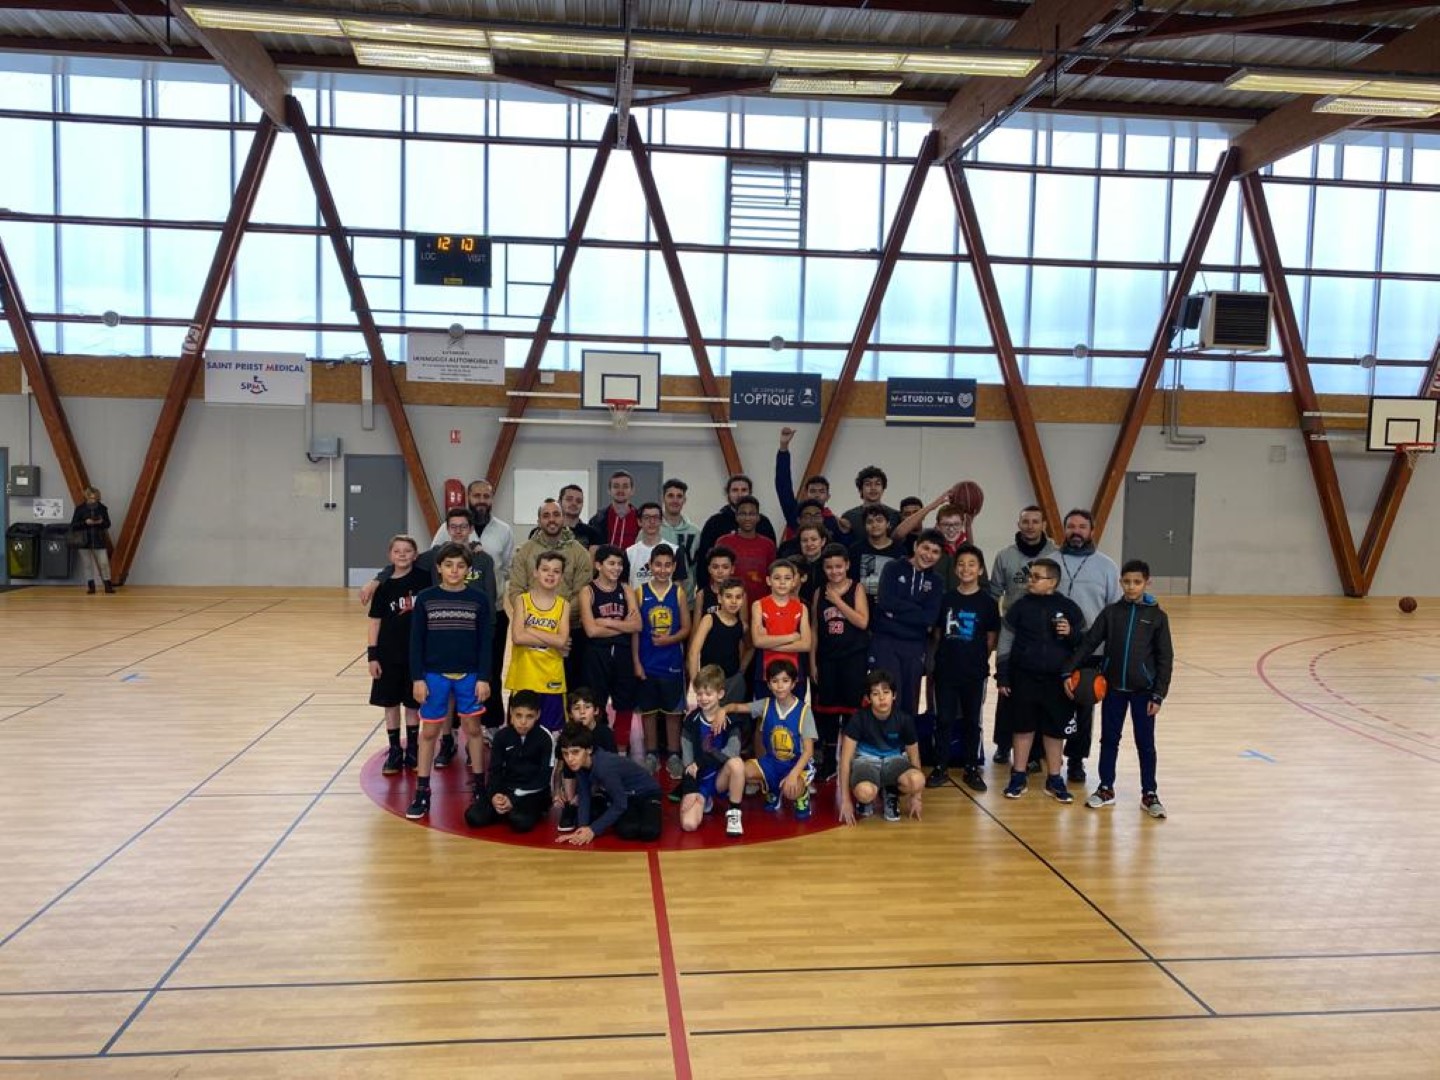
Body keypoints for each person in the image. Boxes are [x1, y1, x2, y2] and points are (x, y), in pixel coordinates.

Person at [1064, 559, 1174, 819]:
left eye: (1137, 582)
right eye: (1126, 582)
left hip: (1144, 692)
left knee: (1145, 743)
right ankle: (1105, 788)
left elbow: (1165, 658)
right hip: (1113, 689)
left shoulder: (1157, 617)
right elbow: (1090, 643)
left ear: (1147, 582)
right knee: (1109, 739)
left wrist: (1159, 693)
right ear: (1120, 582)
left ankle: (1150, 793)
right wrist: (1068, 669)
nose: (1131, 587)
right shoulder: (1111, 613)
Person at [406, 542, 493, 820]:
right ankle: (422, 790)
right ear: (439, 568)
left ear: (468, 569)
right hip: (433, 675)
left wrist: (484, 677)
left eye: (460, 566)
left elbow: (485, 644)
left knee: (473, 728)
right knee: (429, 733)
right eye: (448, 565)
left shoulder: (478, 599)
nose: (454, 570)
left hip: (469, 675)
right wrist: (417, 678)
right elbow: (416, 642)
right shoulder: (426, 599)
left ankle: (480, 787)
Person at [997, 557, 1085, 805]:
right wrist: (1002, 674)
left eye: (1036, 577)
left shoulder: (1069, 608)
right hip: (1024, 677)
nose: (1030, 581)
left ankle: (1055, 779)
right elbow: (1005, 642)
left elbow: (1084, 642)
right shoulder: (1019, 607)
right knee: (1023, 728)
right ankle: (1018, 775)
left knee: (1055, 730)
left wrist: (1072, 634)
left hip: (1057, 680)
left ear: (1052, 582)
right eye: (1029, 576)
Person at [988, 505, 1059, 766]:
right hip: (1014, 632)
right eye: (1025, 521)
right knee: (1009, 690)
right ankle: (1003, 743)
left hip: (1046, 634)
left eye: (1035, 521)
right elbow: (994, 594)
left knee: (1040, 694)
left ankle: (1035, 752)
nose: (1030, 526)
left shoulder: (1056, 555)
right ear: (1019, 524)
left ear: (1043, 525)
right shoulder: (1005, 556)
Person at [1055, 508, 1122, 784]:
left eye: (1083, 527)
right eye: (1071, 526)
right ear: (1064, 529)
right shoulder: (1050, 562)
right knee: (1051, 704)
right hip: (1054, 648)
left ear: (1092, 531)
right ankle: (1043, 757)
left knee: (1083, 707)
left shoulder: (1106, 566)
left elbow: (1114, 610)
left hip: (1090, 651)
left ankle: (1076, 760)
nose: (1076, 531)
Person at [929, 543, 1000, 793]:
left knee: (972, 721)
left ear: (980, 570)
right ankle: (940, 766)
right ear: (955, 569)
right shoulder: (946, 598)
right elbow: (938, 634)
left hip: (974, 673)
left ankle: (971, 767)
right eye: (961, 564)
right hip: (946, 671)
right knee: (944, 720)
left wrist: (977, 658)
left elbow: (991, 639)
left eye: (972, 564)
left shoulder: (988, 603)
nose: (966, 568)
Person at [510, 499, 593, 689]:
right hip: (531, 630)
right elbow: (515, 589)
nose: (551, 520)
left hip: (570, 631)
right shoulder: (526, 551)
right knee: (527, 694)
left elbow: (582, 593)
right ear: (539, 520)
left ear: (563, 518)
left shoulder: (579, 553)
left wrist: (558, 620)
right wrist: (534, 621)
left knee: (570, 689)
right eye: (546, 515)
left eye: (556, 514)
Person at [367, 534, 432, 776]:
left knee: (413, 703)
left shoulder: (424, 579)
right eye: (397, 551)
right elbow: (374, 622)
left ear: (415, 555)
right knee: (390, 703)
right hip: (388, 654)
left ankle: (412, 749)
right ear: (390, 555)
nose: (402, 554)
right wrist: (372, 656)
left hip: (416, 654)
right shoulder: (383, 587)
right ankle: (395, 750)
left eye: (407, 550)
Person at [868, 529, 946, 716]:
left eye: (935, 552)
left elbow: (930, 617)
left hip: (915, 645)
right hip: (886, 642)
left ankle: (906, 743)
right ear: (915, 546)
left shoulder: (936, 581)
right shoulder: (893, 568)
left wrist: (895, 614)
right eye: (925, 548)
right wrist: (917, 610)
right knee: (886, 695)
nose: (928, 555)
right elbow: (886, 601)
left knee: (910, 698)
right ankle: (884, 742)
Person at [810, 543, 869, 782]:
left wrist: (838, 601)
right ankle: (828, 759)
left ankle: (852, 758)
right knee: (827, 712)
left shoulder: (856, 588)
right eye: (829, 567)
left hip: (853, 657)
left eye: (838, 566)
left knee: (852, 711)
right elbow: (814, 629)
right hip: (827, 659)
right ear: (824, 568)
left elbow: (862, 622)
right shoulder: (818, 592)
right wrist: (813, 662)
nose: (834, 571)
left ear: (847, 566)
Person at [837, 669, 925, 824]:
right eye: (876, 694)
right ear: (868, 698)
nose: (882, 698)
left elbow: (914, 756)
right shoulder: (859, 719)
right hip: (866, 762)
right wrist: (845, 800)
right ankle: (867, 798)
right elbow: (845, 760)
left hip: (894, 761)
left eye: (886, 692)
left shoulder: (904, 720)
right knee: (865, 792)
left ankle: (890, 791)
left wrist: (916, 797)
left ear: (894, 695)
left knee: (917, 780)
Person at [578, 545, 642, 759]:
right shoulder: (588, 591)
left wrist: (605, 621)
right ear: (598, 565)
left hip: (623, 654)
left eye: (620, 564)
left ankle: (621, 750)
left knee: (625, 703)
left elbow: (637, 626)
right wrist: (621, 625)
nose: (617, 568)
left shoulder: (626, 590)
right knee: (596, 703)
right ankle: (598, 747)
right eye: (611, 563)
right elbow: (591, 630)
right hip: (596, 654)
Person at [633, 543, 690, 778]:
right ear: (650, 566)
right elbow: (635, 630)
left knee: (673, 713)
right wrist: (636, 661)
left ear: (674, 567)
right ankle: (652, 754)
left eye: (668, 565)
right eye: (658, 564)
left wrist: (671, 639)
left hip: (672, 662)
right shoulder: (639, 592)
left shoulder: (678, 592)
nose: (663, 569)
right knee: (648, 712)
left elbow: (687, 628)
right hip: (647, 662)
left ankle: (674, 754)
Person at [554, 723, 663, 845]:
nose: (570, 759)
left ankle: (652, 809)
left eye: (575, 752)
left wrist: (592, 830)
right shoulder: (580, 764)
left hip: (647, 793)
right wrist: (582, 829)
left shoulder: (603, 767)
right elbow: (584, 796)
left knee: (649, 832)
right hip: (627, 796)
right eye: (565, 753)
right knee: (628, 830)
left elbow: (620, 803)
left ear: (589, 749)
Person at [464, 689, 555, 833]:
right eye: (519, 715)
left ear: (538, 715)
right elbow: (495, 771)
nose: (523, 722)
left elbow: (544, 778)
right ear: (511, 712)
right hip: (506, 790)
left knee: (520, 822)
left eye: (529, 716)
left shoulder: (545, 738)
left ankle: (513, 811)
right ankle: (504, 809)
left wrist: (513, 798)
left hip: (531, 793)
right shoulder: (502, 736)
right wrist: (495, 795)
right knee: (473, 817)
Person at [678, 665, 748, 836]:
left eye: (708, 694)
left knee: (737, 764)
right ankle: (705, 799)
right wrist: (690, 790)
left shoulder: (731, 721)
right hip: (700, 780)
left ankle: (734, 813)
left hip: (720, 778)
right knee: (688, 824)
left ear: (720, 694)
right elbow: (688, 763)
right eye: (699, 694)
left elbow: (732, 752)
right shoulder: (691, 720)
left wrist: (701, 762)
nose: (703, 698)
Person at [743, 659, 816, 821]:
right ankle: (773, 790)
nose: (780, 686)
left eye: (785, 681)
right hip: (773, 761)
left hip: (796, 763)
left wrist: (793, 774)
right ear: (768, 684)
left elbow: (809, 751)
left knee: (792, 789)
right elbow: (739, 707)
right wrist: (724, 710)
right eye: (775, 681)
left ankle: (802, 795)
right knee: (742, 772)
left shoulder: (804, 710)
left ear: (794, 683)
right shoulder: (766, 704)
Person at [506, 550, 571, 732]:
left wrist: (530, 630)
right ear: (535, 572)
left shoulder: (563, 605)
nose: (550, 574)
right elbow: (518, 637)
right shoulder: (522, 600)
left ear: (561, 576)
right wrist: (553, 639)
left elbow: (562, 640)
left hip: (552, 679)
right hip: (524, 677)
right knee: (520, 732)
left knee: (551, 734)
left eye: (556, 571)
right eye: (545, 569)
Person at [554, 687, 618, 833]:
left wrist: (589, 791)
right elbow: (559, 767)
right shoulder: (566, 733)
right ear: (570, 713)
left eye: (587, 707)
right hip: (576, 784)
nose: (582, 712)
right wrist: (557, 791)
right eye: (577, 708)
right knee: (569, 758)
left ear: (596, 710)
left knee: (594, 814)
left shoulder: (605, 734)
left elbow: (611, 769)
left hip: (599, 784)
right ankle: (571, 806)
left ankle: (592, 800)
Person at [695, 474, 777, 587]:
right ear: (728, 493)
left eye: (744, 490)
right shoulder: (714, 523)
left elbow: (773, 564)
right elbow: (704, 560)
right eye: (735, 490)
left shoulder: (764, 523)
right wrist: (705, 590)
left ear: (750, 492)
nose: (739, 494)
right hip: (727, 595)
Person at [687, 576, 752, 710]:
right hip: (709, 682)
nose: (733, 601)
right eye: (728, 596)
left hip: (733, 680)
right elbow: (694, 652)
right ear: (719, 598)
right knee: (709, 722)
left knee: (731, 722)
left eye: (738, 597)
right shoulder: (709, 619)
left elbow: (751, 647)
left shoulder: (743, 626)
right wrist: (695, 682)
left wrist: (741, 670)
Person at [751, 559, 812, 696]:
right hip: (765, 672)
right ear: (768, 580)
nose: (782, 582)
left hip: (794, 673)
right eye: (777, 578)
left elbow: (806, 645)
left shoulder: (801, 608)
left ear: (794, 581)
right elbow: (758, 642)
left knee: (794, 715)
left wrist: (769, 643)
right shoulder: (758, 605)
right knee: (766, 715)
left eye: (787, 578)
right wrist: (792, 637)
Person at [774, 427, 840, 541]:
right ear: (806, 494)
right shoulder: (794, 513)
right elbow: (783, 485)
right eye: (813, 491)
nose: (817, 495)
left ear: (828, 496)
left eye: (821, 491)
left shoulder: (834, 522)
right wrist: (783, 447)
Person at [718, 495, 777, 606]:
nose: (747, 518)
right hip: (731, 605)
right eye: (743, 514)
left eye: (751, 514)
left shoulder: (768, 545)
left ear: (758, 517)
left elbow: (773, 576)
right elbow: (716, 576)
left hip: (761, 605)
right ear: (736, 517)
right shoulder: (723, 542)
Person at [628, 502, 688, 587]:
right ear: (639, 522)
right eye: (647, 517)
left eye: (656, 517)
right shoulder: (629, 553)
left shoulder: (675, 551)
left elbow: (679, 588)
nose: (652, 521)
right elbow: (625, 586)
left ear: (661, 521)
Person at [70, 486, 114, 594]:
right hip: (83, 540)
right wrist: (85, 522)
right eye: (90, 498)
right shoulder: (80, 509)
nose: (92, 500)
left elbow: (108, 524)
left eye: (94, 498)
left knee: (104, 563)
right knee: (87, 564)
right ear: (86, 497)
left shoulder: (102, 508)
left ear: (97, 498)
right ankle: (91, 586)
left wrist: (100, 522)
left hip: (98, 539)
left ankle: (108, 585)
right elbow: (73, 525)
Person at [852, 505, 901, 600]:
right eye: (870, 522)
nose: (874, 525)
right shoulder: (855, 549)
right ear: (864, 526)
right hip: (861, 607)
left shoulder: (899, 551)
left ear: (888, 524)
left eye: (879, 520)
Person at [693, 546, 746, 630]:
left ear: (732, 569)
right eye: (715, 567)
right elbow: (696, 628)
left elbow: (744, 626)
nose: (720, 571)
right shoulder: (702, 594)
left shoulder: (741, 594)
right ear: (709, 569)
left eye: (725, 567)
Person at [838, 465, 899, 537]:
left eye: (877, 484)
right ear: (860, 490)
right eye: (868, 484)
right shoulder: (849, 516)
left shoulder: (895, 515)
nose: (873, 488)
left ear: (883, 489)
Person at [588, 469, 641, 551]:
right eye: (616, 486)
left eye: (625, 486)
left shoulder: (641, 519)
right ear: (609, 490)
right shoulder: (597, 521)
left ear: (632, 491)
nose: (620, 490)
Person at [659, 478, 701, 573]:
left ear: (684, 500)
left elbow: (697, 566)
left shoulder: (695, 532)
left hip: (686, 587)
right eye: (670, 496)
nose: (675, 500)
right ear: (663, 498)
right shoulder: (651, 530)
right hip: (656, 587)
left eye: (679, 496)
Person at [557, 483, 602, 549]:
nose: (574, 503)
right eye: (569, 499)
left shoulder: (593, 534)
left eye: (578, 501)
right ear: (559, 502)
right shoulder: (548, 530)